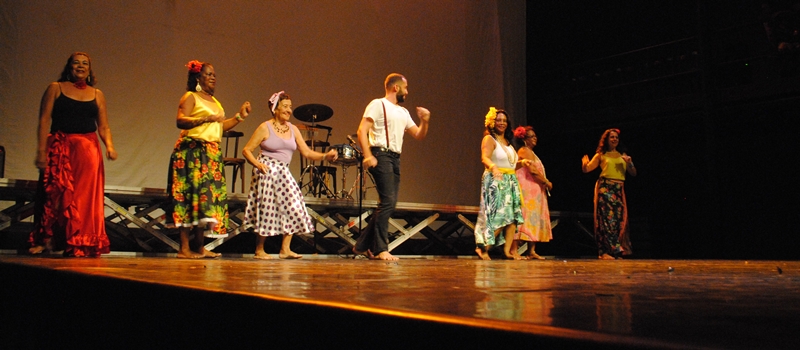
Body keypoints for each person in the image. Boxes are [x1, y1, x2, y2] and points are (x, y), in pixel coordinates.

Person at [28, 52, 118, 257]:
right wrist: (41, 151)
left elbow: (103, 126)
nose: (80, 66)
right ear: (69, 66)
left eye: (85, 63)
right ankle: (46, 240)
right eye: (76, 62)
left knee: (82, 199)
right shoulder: (55, 88)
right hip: (60, 147)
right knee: (54, 195)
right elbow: (44, 120)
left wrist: (109, 146)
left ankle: (79, 241)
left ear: (89, 69)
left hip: (87, 151)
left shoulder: (97, 94)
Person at [166, 60, 251, 259]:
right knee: (189, 199)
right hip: (192, 153)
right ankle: (184, 248)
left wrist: (239, 117)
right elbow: (180, 120)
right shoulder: (190, 97)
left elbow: (219, 127)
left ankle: (199, 246)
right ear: (198, 77)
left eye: (214, 74)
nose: (213, 77)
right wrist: (205, 118)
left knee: (205, 202)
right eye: (209, 74)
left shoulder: (215, 101)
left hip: (211, 154)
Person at [241, 91, 337, 260]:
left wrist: (324, 156)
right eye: (285, 106)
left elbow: (306, 152)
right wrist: (258, 164)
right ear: (275, 109)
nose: (289, 110)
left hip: (283, 170)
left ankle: (285, 249)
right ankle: (259, 249)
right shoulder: (265, 127)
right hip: (267, 169)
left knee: (294, 204)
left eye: (290, 107)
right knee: (267, 207)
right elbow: (247, 150)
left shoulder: (293, 129)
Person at [352, 73, 430, 261]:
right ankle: (380, 249)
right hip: (381, 154)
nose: (407, 91)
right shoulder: (378, 104)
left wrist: (425, 120)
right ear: (396, 88)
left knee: (389, 203)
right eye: (406, 87)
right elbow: (361, 130)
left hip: (395, 157)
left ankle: (362, 245)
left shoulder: (403, 112)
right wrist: (368, 155)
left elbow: (418, 135)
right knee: (387, 201)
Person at [474, 108, 530, 260]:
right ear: (492, 122)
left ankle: (507, 251)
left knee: (511, 218)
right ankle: (483, 248)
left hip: (510, 181)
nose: (502, 123)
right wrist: (493, 167)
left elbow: (511, 165)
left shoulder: (508, 143)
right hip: (495, 180)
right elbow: (485, 158)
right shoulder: (489, 139)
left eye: (504, 120)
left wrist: (522, 163)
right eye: (498, 120)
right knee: (498, 216)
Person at [581, 128, 637, 260]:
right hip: (605, 188)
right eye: (612, 137)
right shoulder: (601, 155)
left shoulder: (622, 155)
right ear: (606, 139)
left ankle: (614, 251)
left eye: (616, 137)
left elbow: (633, 173)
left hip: (618, 189)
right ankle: (606, 251)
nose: (614, 139)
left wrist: (630, 163)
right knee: (607, 220)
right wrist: (584, 165)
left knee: (619, 221)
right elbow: (587, 169)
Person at [513, 126, 553, 260]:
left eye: (535, 136)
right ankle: (514, 250)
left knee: (534, 218)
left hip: (534, 190)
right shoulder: (524, 151)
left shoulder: (531, 152)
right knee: (525, 218)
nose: (535, 138)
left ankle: (531, 250)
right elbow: (533, 171)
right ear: (524, 139)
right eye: (532, 136)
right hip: (527, 190)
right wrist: (546, 182)